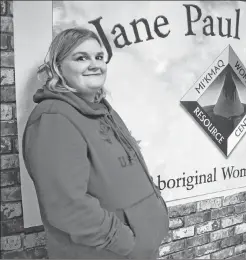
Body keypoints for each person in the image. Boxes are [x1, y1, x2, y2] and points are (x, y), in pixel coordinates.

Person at [22, 28, 169, 259]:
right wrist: (125, 242)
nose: (95, 64)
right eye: (81, 58)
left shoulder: (103, 109)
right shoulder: (54, 118)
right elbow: (67, 206)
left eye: (99, 57)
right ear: (58, 67)